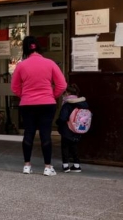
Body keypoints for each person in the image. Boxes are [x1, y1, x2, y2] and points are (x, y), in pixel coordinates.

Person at [11, 35, 66, 176]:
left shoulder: (21, 65)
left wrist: (23, 96)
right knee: (45, 134)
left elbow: (15, 87)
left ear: (25, 49)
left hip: (27, 104)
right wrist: (52, 95)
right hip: (47, 103)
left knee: (28, 133)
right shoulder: (50, 63)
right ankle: (47, 167)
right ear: (39, 48)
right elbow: (62, 85)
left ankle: (27, 166)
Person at [56, 84, 88, 173]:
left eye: (64, 93)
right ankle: (77, 165)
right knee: (74, 146)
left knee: (65, 146)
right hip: (78, 128)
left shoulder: (68, 104)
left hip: (67, 129)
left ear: (67, 93)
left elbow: (63, 118)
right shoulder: (84, 104)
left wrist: (57, 123)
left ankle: (66, 166)